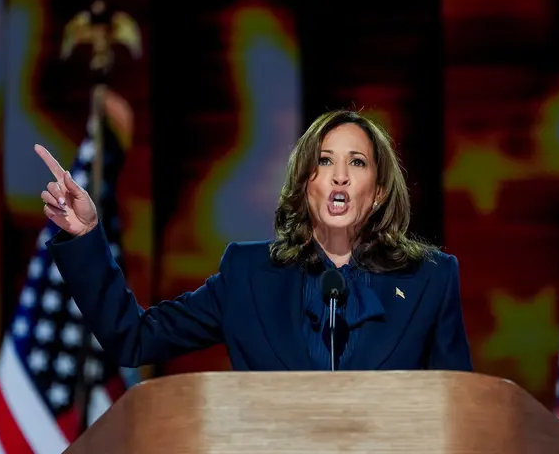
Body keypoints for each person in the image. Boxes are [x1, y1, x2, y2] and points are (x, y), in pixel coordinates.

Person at [36, 109, 472, 372]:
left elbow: (461, 409)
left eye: (356, 162)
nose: (340, 175)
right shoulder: (248, 276)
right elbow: (133, 338)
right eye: (324, 161)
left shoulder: (428, 280)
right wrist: (88, 237)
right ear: (306, 185)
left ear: (377, 192)